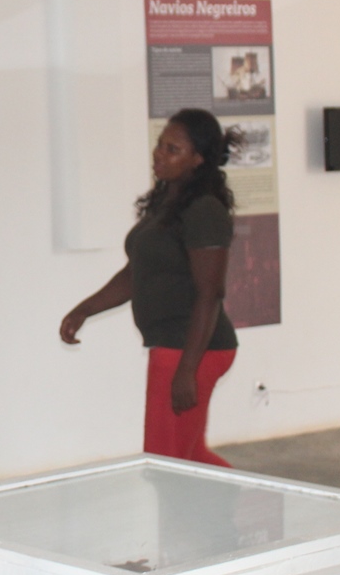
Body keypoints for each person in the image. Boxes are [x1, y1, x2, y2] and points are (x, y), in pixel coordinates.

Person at [59, 108, 240, 466]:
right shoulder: (167, 203)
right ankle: (249, 500)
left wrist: (187, 369)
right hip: (175, 346)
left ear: (198, 159)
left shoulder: (204, 210)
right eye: (160, 145)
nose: (159, 154)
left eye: (173, 149)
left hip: (190, 348)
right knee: (189, 456)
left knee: (166, 463)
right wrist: (84, 310)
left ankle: (237, 502)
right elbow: (136, 274)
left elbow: (210, 293)